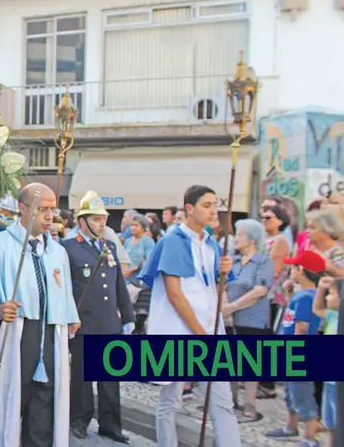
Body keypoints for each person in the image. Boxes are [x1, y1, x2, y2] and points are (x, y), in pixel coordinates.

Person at [0, 183, 80, 447]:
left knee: (43, 415)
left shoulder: (58, 252)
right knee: (6, 408)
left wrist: (70, 317)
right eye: (42, 209)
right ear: (23, 209)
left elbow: (63, 293)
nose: (49, 216)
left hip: (49, 342)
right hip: (14, 341)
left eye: (52, 209)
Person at [138, 185, 239, 447]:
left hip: (209, 329)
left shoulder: (212, 244)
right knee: (171, 400)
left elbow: (214, 291)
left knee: (222, 401)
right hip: (180, 330)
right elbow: (175, 294)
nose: (213, 210)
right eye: (207, 205)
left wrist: (223, 274)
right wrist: (200, 332)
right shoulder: (173, 241)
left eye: (215, 205)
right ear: (190, 208)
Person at [62, 191, 134, 443]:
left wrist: (128, 317)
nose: (102, 224)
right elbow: (64, 289)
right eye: (95, 220)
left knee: (110, 381)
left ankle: (111, 426)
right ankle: (79, 421)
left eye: (103, 219)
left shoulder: (109, 246)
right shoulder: (68, 248)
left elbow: (118, 285)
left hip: (108, 324)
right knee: (81, 379)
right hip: (84, 324)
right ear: (82, 221)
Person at [266, 250, 324, 447]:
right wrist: (290, 294)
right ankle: (290, 427)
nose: (290, 270)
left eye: (294, 267)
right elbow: (293, 315)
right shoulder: (304, 296)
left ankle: (310, 438)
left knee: (302, 394)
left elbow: (302, 328)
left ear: (302, 270)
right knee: (292, 392)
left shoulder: (307, 297)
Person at [222, 218, 273, 420]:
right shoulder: (232, 261)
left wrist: (232, 308)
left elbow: (260, 290)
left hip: (253, 319)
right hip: (230, 319)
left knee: (251, 362)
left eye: (240, 234)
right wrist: (225, 309)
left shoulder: (263, 261)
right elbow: (222, 284)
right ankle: (231, 400)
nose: (236, 238)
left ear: (252, 239)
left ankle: (250, 404)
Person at [314, 273, 339, 447]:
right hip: (329, 381)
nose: (327, 298)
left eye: (331, 294)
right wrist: (321, 288)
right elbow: (316, 310)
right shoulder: (332, 315)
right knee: (330, 419)